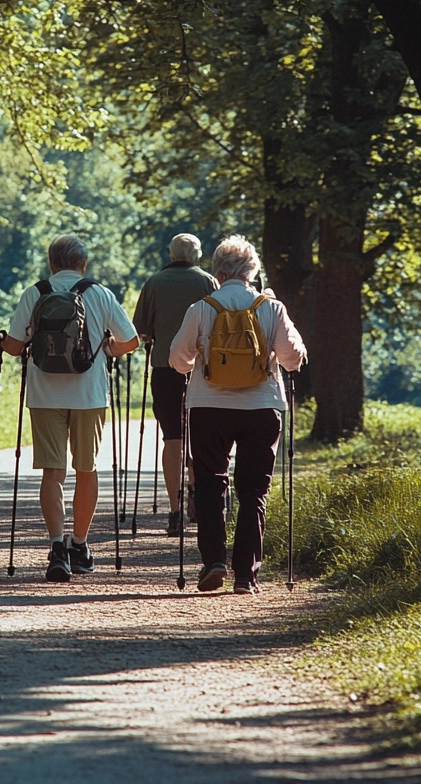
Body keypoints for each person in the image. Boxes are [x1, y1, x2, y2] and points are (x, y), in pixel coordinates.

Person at [0, 234, 139, 583]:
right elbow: (132, 340)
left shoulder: (36, 292)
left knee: (52, 473)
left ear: (52, 263)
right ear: (83, 264)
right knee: (86, 469)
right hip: (89, 395)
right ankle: (80, 545)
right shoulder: (99, 293)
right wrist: (108, 348)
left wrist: (0, 341)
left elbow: (15, 346)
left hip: (45, 394)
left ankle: (57, 547)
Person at [169, 234, 306, 595]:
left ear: (217, 271)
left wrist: (200, 362)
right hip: (261, 407)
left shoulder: (202, 308)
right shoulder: (270, 307)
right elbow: (292, 358)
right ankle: (246, 575)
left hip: (208, 407)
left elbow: (177, 359)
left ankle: (214, 561)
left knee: (210, 485)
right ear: (252, 270)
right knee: (254, 489)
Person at [132, 233, 218, 535]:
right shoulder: (208, 282)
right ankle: (197, 493)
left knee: (172, 438)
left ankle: (174, 510)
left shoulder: (154, 283)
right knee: (200, 434)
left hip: (165, 368)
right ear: (197, 255)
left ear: (171, 254)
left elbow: (141, 331)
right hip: (203, 370)